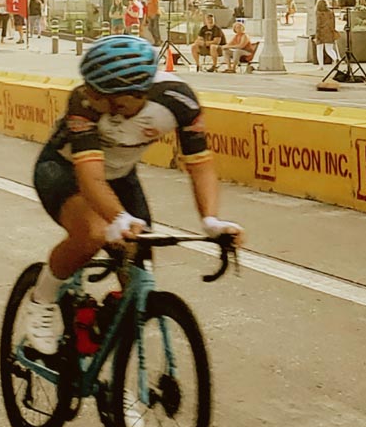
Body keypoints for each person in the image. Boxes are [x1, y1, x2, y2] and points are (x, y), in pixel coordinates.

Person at [20, 36, 243, 358]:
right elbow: (91, 177)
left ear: (132, 94)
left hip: (121, 176)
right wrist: (118, 218)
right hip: (64, 170)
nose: (90, 97)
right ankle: (42, 300)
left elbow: (201, 164)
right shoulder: (82, 102)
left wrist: (211, 220)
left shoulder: (179, 101)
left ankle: (112, 384)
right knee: (93, 234)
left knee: (139, 285)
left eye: (100, 94)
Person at [314, 0, 337, 66]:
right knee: (329, 49)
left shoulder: (318, 13)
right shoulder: (331, 12)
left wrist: (317, 35)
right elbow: (333, 23)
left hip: (321, 32)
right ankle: (335, 59)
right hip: (329, 32)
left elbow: (318, 25)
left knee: (319, 50)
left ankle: (321, 66)